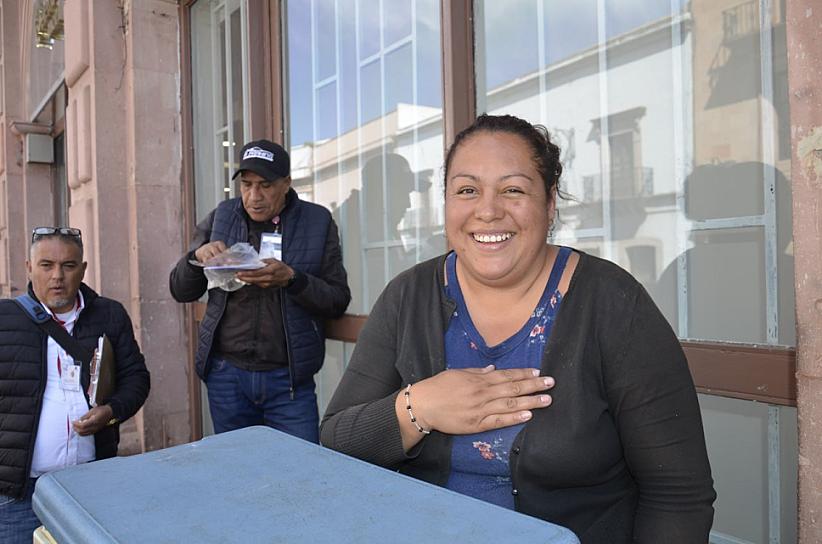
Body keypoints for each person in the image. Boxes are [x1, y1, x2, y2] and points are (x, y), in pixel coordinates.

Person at [320, 114, 716, 542]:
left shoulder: (613, 303)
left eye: (513, 190)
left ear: (549, 204)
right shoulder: (407, 296)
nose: (488, 211)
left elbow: (678, 494)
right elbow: (337, 440)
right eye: (467, 190)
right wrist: (420, 407)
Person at [170, 139, 351, 443]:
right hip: (227, 376)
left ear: (286, 184)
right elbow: (180, 290)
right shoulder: (222, 217)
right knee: (237, 473)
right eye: (246, 185)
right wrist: (195, 259)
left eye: (265, 185)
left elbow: (337, 300)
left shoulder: (317, 222)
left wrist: (292, 279)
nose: (254, 196)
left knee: (300, 473)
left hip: (288, 383)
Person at [0, 227, 151, 543]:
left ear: (83, 269)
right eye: (46, 265)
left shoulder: (109, 314)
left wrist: (110, 413)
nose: (58, 276)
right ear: (29, 268)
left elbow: (137, 380)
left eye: (68, 266)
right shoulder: (5, 319)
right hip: (17, 492)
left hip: (92, 484)